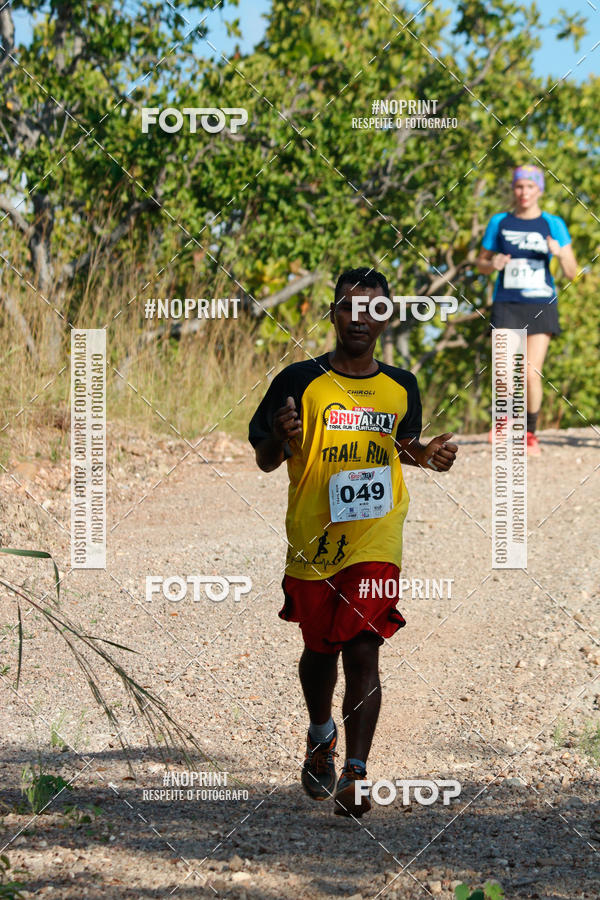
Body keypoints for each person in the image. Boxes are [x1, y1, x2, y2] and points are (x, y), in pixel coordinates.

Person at [248, 267, 458, 817]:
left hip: (376, 534)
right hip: (314, 536)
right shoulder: (298, 380)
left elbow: (403, 446)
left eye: (373, 310)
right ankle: (321, 734)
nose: (360, 319)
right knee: (320, 650)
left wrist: (426, 455)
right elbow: (266, 459)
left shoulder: (402, 385)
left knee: (364, 645)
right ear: (333, 313)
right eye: (349, 307)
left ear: (387, 318)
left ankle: (356, 774)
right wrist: (281, 437)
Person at [476, 164, 578, 455]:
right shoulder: (500, 222)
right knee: (503, 371)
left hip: (541, 303)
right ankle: (505, 423)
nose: (524, 192)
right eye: (519, 186)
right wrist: (491, 264)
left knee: (531, 373)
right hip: (507, 302)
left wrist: (559, 254)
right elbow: (480, 264)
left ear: (539, 190)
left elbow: (572, 272)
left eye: (530, 186)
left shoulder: (553, 224)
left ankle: (530, 433)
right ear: (513, 189)